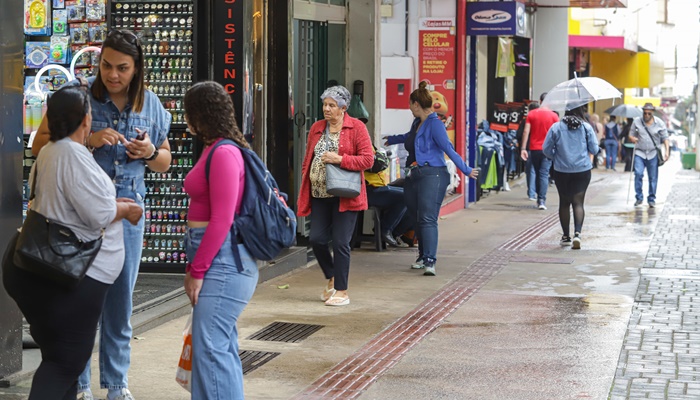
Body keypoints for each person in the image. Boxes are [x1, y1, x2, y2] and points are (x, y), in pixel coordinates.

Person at [31, 29, 172, 400]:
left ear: (137, 68)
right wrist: (87, 139)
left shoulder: (151, 104)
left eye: (122, 68)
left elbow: (165, 161)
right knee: (79, 303)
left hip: (126, 215)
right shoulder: (78, 99)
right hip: (79, 215)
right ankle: (79, 384)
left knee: (121, 303)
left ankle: (116, 383)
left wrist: (149, 153)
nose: (112, 75)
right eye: (106, 65)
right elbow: (39, 143)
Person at [2, 85, 143, 399]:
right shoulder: (71, 153)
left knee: (60, 358)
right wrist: (126, 209)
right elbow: (98, 214)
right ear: (84, 121)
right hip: (70, 273)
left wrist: (110, 204)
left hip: (38, 267)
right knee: (66, 361)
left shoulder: (52, 150)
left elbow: (70, 204)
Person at [180, 81, 259, 399]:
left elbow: (223, 220)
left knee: (211, 351)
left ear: (201, 114)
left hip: (224, 264)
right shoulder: (217, 149)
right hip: (217, 260)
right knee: (216, 350)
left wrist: (198, 270)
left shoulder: (225, 152)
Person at [384, 81, 478, 276]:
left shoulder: (436, 125)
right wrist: (392, 139)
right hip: (413, 175)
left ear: (416, 104)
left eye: (410, 105)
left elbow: (448, 149)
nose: (409, 108)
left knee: (427, 217)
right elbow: (409, 137)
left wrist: (466, 170)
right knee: (415, 216)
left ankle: (430, 261)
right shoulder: (417, 122)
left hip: (433, 175)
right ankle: (421, 256)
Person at [297, 85, 374, 306]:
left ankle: (342, 291)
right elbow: (308, 158)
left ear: (343, 108)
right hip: (319, 193)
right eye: (325, 104)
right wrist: (306, 175)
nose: (326, 109)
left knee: (341, 242)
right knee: (317, 239)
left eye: (332, 105)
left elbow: (368, 160)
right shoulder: (317, 128)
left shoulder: (356, 127)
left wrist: (341, 159)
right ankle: (332, 275)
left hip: (345, 195)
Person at [543, 105, 599, 250]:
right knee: (578, 202)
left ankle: (566, 236)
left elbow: (546, 149)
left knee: (564, 202)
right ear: (581, 111)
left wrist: (556, 157)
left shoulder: (556, 127)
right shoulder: (586, 127)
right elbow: (594, 149)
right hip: (582, 170)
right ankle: (578, 234)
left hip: (561, 170)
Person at [364, 147, 413, 247]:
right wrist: (380, 157)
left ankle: (395, 232)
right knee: (404, 196)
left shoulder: (369, 145)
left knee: (412, 195)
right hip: (369, 189)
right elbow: (377, 165)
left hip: (379, 186)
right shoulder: (359, 147)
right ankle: (385, 229)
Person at [520, 92, 559, 210]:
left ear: (540, 101)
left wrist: (523, 148)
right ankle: (541, 200)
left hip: (534, 149)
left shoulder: (532, 114)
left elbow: (526, 132)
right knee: (543, 174)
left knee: (538, 173)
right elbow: (557, 133)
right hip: (548, 150)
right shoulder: (554, 116)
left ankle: (539, 197)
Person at [629, 103, 670, 208]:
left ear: (652, 113)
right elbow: (631, 134)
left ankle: (651, 199)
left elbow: (665, 138)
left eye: (649, 113)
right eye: (645, 113)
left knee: (653, 177)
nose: (646, 115)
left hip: (653, 153)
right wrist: (632, 138)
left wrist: (667, 151)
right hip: (640, 152)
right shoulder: (637, 121)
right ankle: (639, 197)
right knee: (638, 174)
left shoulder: (659, 123)